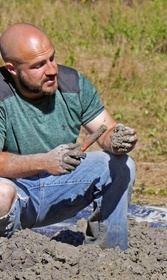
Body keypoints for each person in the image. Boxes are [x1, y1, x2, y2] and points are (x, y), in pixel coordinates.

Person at [0, 23, 138, 250]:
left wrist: (118, 140)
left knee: (122, 165)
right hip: (17, 193)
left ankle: (110, 256)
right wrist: (45, 161)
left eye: (52, 58)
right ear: (12, 69)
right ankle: (9, 256)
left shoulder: (72, 84)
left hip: (60, 187)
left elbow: (106, 129)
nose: (52, 70)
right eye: (38, 65)